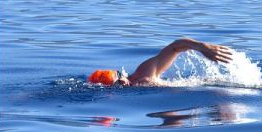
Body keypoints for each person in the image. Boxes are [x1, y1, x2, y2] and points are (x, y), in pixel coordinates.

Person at [88, 38, 232, 87]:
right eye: (118, 84)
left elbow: (175, 46)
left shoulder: (143, 73)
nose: (123, 82)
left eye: (119, 75)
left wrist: (202, 47)